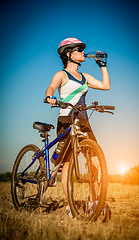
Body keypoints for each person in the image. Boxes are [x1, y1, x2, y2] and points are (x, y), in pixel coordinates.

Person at [45, 37, 110, 216]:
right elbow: (51, 88)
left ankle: (93, 201)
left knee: (94, 160)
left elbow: (106, 86)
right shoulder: (62, 75)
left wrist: (102, 66)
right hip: (66, 120)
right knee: (68, 163)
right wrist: (50, 97)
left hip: (83, 122)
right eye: (79, 50)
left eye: (82, 50)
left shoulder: (85, 77)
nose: (83, 53)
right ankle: (70, 204)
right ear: (68, 54)